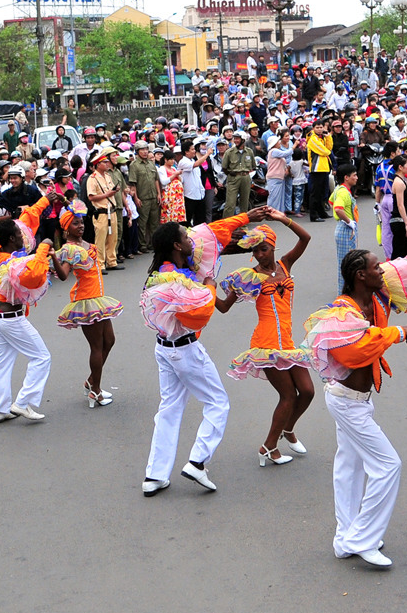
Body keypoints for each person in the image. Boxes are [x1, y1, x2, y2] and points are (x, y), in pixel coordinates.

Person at [300, 250, 407, 567]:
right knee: (388, 465)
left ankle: (345, 538)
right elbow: (358, 351)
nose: (382, 271)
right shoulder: (341, 312)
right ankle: (363, 539)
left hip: (357, 401)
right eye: (376, 267)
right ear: (360, 275)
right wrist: (398, 332)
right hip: (346, 402)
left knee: (349, 469)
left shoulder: (376, 299)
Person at [140, 208, 265, 497]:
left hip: (165, 349)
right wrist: (210, 285)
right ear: (176, 245)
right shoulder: (175, 280)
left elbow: (212, 235)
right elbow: (201, 309)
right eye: (185, 237)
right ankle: (197, 462)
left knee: (169, 410)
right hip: (185, 350)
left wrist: (246, 218)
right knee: (218, 403)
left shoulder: (166, 270)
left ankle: (155, 476)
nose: (191, 241)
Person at [215, 212, 314, 465]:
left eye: (264, 249)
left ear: (273, 247)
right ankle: (268, 447)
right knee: (288, 396)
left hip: (288, 343)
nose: (259, 255)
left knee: (307, 391)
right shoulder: (249, 277)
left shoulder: (285, 264)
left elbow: (305, 238)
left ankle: (287, 429)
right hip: (266, 344)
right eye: (256, 251)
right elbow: (224, 307)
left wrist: (282, 218)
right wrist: (207, 287)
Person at [0, 195, 55, 423]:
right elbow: (33, 275)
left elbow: (26, 218)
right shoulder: (11, 263)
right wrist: (44, 247)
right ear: (10, 239)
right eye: (18, 234)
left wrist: (45, 201)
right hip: (11, 319)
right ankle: (22, 403)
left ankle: (0, 409)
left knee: (1, 363)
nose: (23, 236)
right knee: (42, 357)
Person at [52, 200, 123, 407]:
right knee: (97, 346)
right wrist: (53, 257)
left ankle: (91, 382)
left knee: (109, 341)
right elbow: (64, 275)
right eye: (75, 223)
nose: (81, 225)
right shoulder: (69, 249)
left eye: (81, 222)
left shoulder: (86, 245)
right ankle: (95, 391)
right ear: (67, 228)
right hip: (86, 301)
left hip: (98, 299)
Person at [85, 150, 122, 272]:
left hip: (112, 210)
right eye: (104, 162)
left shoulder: (108, 176)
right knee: (100, 240)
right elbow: (91, 197)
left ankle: (111, 261)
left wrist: (113, 191)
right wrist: (107, 194)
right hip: (101, 212)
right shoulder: (92, 178)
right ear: (98, 164)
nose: (107, 164)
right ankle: (100, 264)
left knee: (113, 237)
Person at [331, 163, 360, 291]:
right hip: (345, 229)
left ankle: (347, 290)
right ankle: (344, 292)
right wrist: (348, 221)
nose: (357, 178)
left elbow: (331, 201)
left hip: (343, 227)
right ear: (346, 177)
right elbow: (338, 208)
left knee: (348, 261)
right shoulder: (343, 192)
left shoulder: (339, 189)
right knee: (347, 263)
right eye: (354, 175)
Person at [129, 140, 162, 253]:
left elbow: (156, 179)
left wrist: (159, 194)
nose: (145, 152)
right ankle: (142, 244)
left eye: (146, 149)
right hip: (143, 197)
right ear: (137, 151)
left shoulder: (151, 163)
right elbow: (133, 183)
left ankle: (153, 243)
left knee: (154, 222)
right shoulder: (134, 165)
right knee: (142, 223)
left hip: (153, 196)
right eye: (142, 150)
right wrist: (136, 198)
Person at [388, 154, 407, 259]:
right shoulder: (399, 182)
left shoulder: (399, 180)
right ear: (400, 167)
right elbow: (400, 205)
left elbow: (401, 203)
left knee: (405, 250)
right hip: (399, 221)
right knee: (400, 252)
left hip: (399, 220)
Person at [222, 131, 255, 218]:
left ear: (243, 140)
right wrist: (231, 173)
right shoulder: (229, 152)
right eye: (235, 139)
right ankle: (227, 222)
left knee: (244, 202)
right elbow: (224, 167)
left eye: (237, 139)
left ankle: (242, 222)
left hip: (245, 177)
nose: (235, 141)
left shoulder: (249, 152)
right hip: (233, 178)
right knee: (230, 203)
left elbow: (253, 166)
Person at [307, 120, 334, 222]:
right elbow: (324, 151)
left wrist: (328, 137)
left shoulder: (322, 137)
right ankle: (313, 215)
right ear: (313, 128)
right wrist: (328, 152)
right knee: (315, 193)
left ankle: (321, 212)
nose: (319, 129)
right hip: (316, 169)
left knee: (322, 192)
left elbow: (329, 147)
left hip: (324, 167)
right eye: (317, 127)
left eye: (321, 127)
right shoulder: (312, 138)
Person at [157, 150, 185, 225]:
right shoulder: (162, 169)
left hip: (177, 196)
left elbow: (182, 180)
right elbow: (164, 182)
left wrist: (177, 175)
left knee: (177, 215)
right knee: (169, 214)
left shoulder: (173, 168)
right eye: (171, 159)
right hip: (169, 195)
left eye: (173, 159)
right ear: (166, 160)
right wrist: (174, 175)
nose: (173, 161)